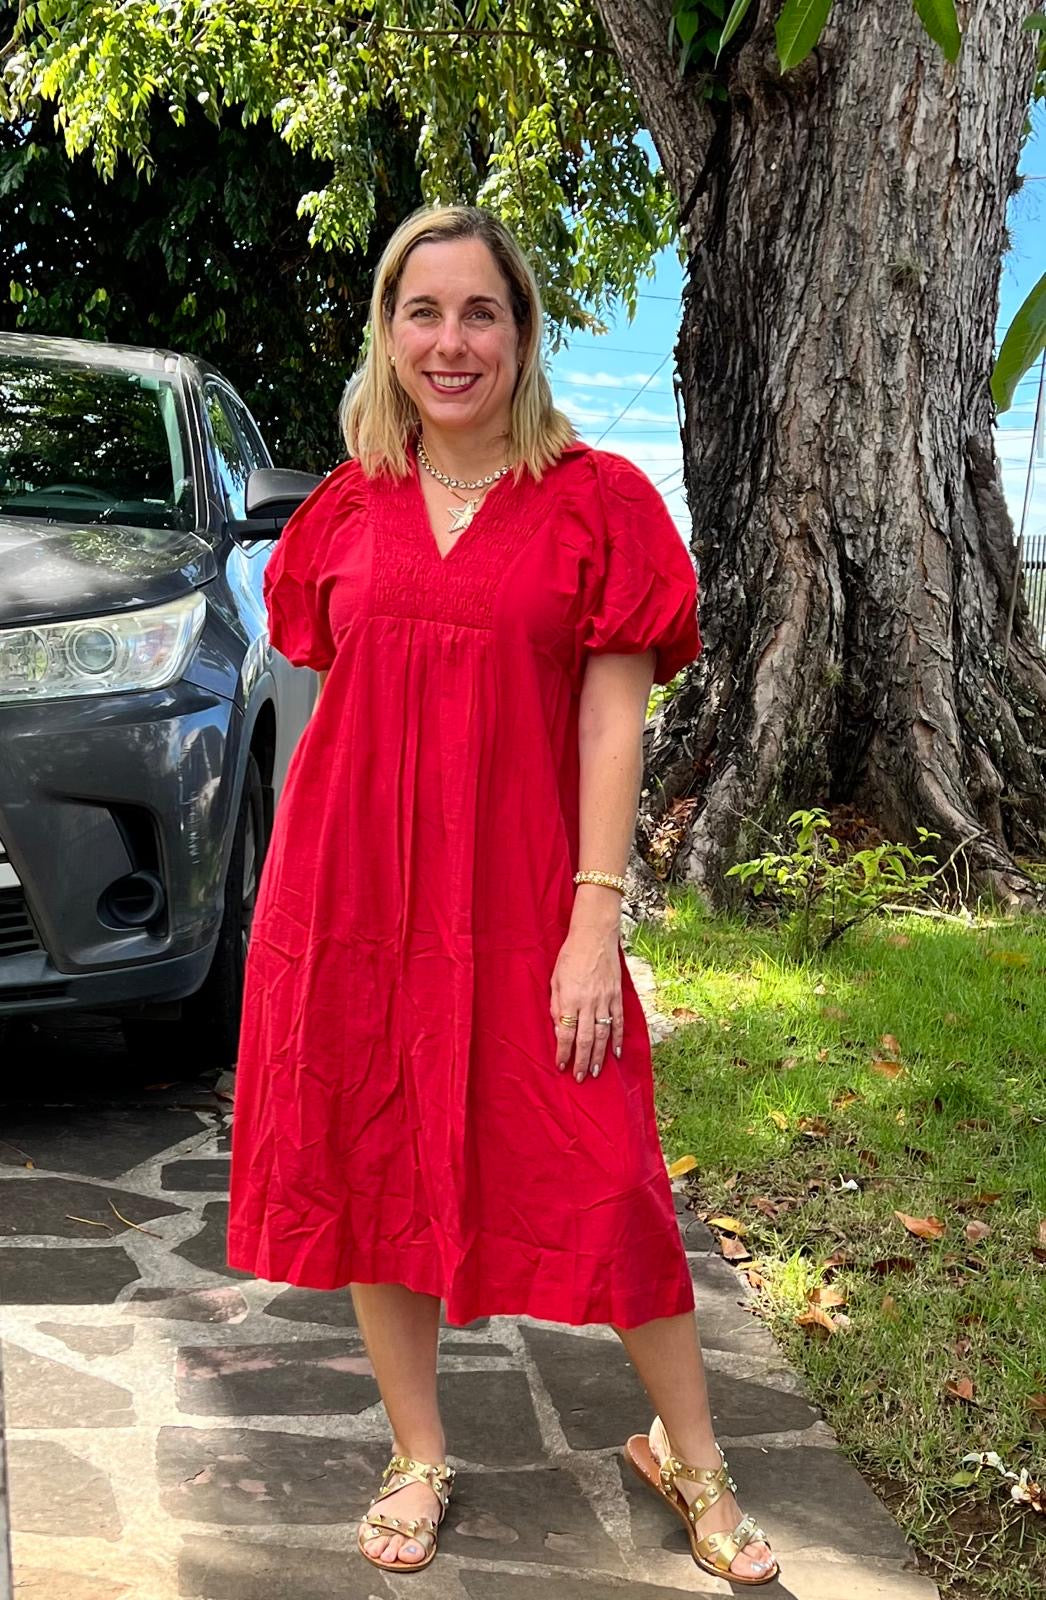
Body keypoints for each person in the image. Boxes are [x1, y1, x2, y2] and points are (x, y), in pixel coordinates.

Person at [227, 204, 778, 1586]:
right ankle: (417, 1451)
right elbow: (327, 694)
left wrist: (596, 921)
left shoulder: (598, 507)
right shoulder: (345, 508)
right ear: (388, 331)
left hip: (532, 900)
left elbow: (611, 729)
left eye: (480, 313)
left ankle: (687, 1452)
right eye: (424, 313)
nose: (450, 341)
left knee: (609, 1179)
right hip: (355, 898)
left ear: (523, 334)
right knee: (375, 1161)